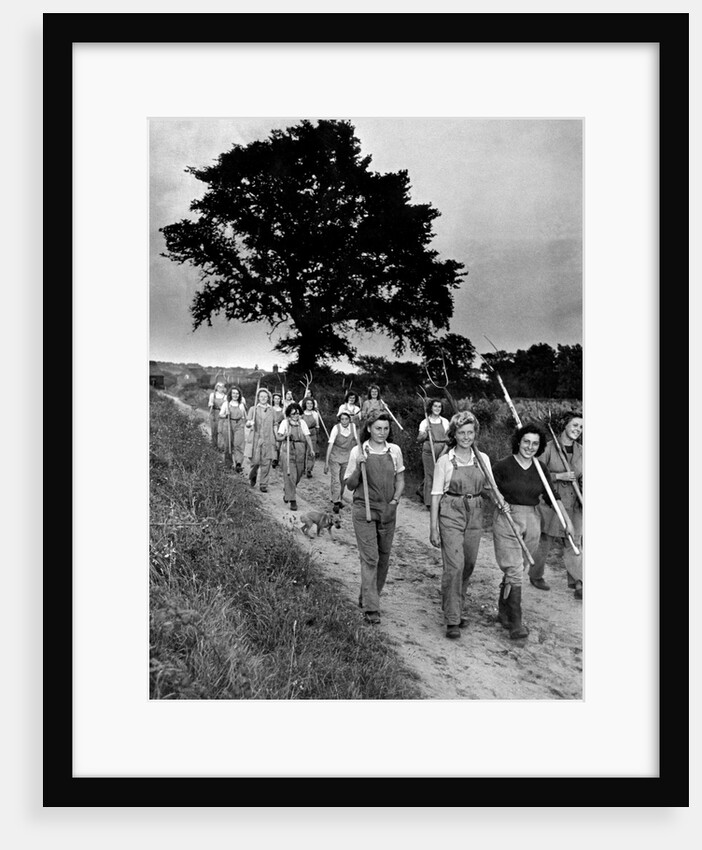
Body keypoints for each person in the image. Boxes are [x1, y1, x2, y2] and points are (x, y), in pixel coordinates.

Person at [491, 423, 575, 640]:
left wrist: (567, 521)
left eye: (535, 443)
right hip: (507, 519)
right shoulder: (502, 466)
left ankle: (503, 611)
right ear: (518, 441)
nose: (529, 447)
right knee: (514, 568)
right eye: (526, 441)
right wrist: (497, 499)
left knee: (517, 569)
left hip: (532, 519)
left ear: (540, 447)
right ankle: (516, 622)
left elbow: (551, 496)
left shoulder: (540, 468)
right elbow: (487, 487)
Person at [429, 411, 491, 639]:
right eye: (461, 433)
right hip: (451, 510)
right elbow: (436, 494)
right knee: (454, 565)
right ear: (453, 435)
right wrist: (433, 527)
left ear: (476, 433)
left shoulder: (482, 459)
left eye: (470, 432)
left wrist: (501, 500)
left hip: (475, 511)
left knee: (469, 564)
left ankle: (454, 604)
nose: (466, 437)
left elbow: (490, 487)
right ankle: (452, 619)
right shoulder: (445, 461)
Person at [344, 411, 405, 625]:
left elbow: (400, 480)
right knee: (370, 558)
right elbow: (350, 485)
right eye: (378, 428)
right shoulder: (358, 451)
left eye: (386, 428)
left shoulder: (394, 451)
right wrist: (358, 468)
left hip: (387, 509)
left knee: (384, 558)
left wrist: (395, 502)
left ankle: (369, 595)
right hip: (364, 510)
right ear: (369, 428)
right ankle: (372, 608)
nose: (382, 432)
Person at [529, 411, 584, 599]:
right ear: (565, 425)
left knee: (574, 540)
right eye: (575, 425)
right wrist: (558, 476)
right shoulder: (548, 449)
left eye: (582, 427)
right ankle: (535, 575)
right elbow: (536, 474)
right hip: (552, 502)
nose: (578, 429)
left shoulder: (582, 451)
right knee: (545, 540)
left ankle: (578, 582)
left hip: (574, 503)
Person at [276, 403, 315, 511]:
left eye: (297, 413)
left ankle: (288, 491)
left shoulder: (302, 423)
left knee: (298, 474)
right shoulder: (285, 422)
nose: (296, 416)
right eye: (293, 414)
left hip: (300, 450)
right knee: (290, 476)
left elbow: (307, 437)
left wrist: (311, 449)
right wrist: (285, 436)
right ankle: (293, 500)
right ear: (289, 414)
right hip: (288, 450)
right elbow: (279, 438)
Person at [417, 398, 450, 509]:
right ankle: (429, 503)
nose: (437, 408)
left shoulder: (445, 421)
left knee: (442, 476)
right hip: (428, 450)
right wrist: (426, 432)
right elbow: (419, 439)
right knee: (430, 475)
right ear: (431, 408)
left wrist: (443, 452)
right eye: (435, 406)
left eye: (439, 406)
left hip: (442, 449)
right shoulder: (424, 422)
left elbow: (449, 440)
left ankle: (440, 501)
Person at [244, 388, 277, 492]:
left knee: (267, 461)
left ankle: (263, 484)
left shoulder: (272, 410)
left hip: (268, 438)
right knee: (256, 460)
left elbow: (275, 424)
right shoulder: (253, 409)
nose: (263, 398)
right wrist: (250, 423)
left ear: (268, 398)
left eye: (265, 396)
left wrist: (276, 437)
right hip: (256, 438)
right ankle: (253, 474)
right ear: (258, 398)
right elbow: (247, 423)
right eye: (261, 396)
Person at [324, 411, 355, 513]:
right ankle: (336, 502)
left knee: (343, 480)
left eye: (346, 419)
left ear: (349, 420)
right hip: (335, 457)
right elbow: (330, 445)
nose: (344, 421)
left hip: (347, 457)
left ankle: (338, 497)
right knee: (336, 479)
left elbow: (358, 441)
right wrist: (326, 462)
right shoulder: (336, 428)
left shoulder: (353, 427)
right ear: (339, 420)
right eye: (342, 419)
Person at [219, 385, 247, 472]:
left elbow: (245, 417)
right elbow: (220, 415)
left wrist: (246, 423)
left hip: (239, 425)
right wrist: (226, 414)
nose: (235, 395)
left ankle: (238, 464)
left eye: (237, 393)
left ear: (239, 395)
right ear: (230, 394)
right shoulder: (226, 404)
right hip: (228, 424)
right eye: (233, 393)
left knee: (238, 444)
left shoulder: (241, 405)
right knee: (228, 445)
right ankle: (228, 464)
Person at [301, 396, 321, 478]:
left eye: (311, 403)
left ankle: (309, 469)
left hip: (312, 433)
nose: (309, 405)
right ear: (305, 404)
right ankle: (302, 468)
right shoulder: (301, 414)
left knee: (311, 452)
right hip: (303, 434)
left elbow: (317, 426)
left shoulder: (315, 414)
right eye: (308, 403)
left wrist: (317, 436)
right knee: (302, 451)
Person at [207, 381, 227, 448]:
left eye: (222, 387)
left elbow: (226, 406)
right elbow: (210, 404)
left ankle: (220, 446)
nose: (220, 388)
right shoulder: (213, 395)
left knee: (220, 430)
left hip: (221, 414)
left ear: (224, 388)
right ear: (216, 387)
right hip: (214, 412)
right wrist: (211, 404)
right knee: (214, 430)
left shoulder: (225, 396)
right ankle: (214, 445)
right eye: (219, 387)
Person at [270, 392, 285, 469]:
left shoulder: (282, 410)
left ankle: (277, 458)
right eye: (275, 398)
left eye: (278, 399)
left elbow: (285, 419)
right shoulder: (270, 408)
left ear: (280, 400)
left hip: (280, 427)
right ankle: (274, 459)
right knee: (273, 443)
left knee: (278, 444)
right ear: (273, 399)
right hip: (271, 426)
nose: (277, 400)